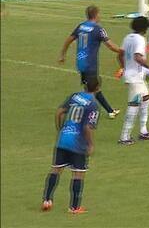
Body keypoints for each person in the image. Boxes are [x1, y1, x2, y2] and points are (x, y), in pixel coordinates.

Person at [40, 76, 101, 214]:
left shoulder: (75, 96)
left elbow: (60, 111)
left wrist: (60, 129)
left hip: (64, 138)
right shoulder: (93, 105)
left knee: (56, 170)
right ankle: (74, 207)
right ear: (97, 88)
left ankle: (47, 200)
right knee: (78, 174)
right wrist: (90, 144)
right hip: (77, 143)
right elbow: (87, 127)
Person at [59, 5, 121, 119]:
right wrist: (122, 51)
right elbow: (111, 46)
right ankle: (72, 109)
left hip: (81, 62)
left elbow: (69, 39)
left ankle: (110, 110)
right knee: (93, 89)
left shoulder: (81, 26)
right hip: (90, 64)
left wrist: (62, 54)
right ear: (96, 15)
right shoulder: (98, 29)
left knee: (90, 88)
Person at [118, 17, 149, 145]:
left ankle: (143, 131)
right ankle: (124, 136)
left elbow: (120, 54)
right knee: (134, 105)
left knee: (146, 99)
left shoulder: (127, 37)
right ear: (144, 28)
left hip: (133, 76)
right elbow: (138, 57)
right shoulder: (140, 39)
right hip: (135, 77)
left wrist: (124, 68)